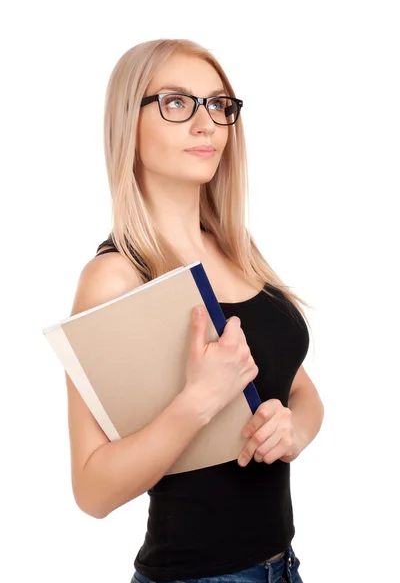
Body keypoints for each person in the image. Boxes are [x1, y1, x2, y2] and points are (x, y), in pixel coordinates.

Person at [66, 38, 324, 583]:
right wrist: (200, 400)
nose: (207, 123)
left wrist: (293, 430)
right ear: (128, 124)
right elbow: (91, 490)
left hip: (284, 568)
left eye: (219, 105)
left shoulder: (236, 250)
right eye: (178, 103)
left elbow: (299, 389)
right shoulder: (117, 276)